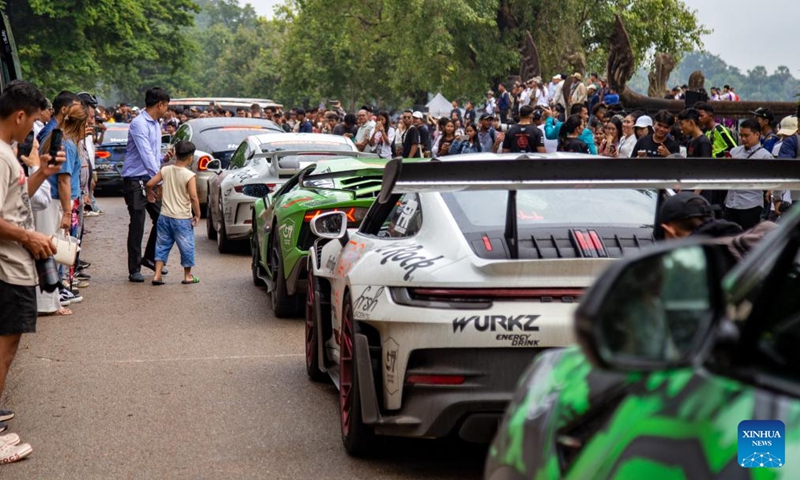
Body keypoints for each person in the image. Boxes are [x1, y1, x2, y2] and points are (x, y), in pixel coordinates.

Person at [0, 80, 65, 463]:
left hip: (16, 264)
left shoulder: (10, 152)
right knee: (4, 350)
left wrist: (41, 172)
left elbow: (16, 202)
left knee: (8, 348)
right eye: (32, 121)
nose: (33, 131)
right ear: (19, 114)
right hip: (7, 266)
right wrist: (28, 236)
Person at [121, 87, 173, 283]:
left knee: (162, 217)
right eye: (166, 106)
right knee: (138, 223)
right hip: (135, 179)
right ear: (160, 104)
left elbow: (152, 154)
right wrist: (157, 180)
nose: (166, 110)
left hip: (149, 176)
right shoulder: (139, 124)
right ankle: (134, 268)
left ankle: (150, 257)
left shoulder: (156, 124)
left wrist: (162, 158)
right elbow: (144, 154)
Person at [145, 141, 200, 285]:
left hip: (164, 216)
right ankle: (187, 275)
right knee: (186, 247)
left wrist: (149, 193)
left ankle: (157, 275)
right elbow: (193, 197)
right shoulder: (189, 175)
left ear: (175, 154)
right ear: (191, 158)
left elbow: (150, 183)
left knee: (161, 245)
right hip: (182, 218)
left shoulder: (165, 170)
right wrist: (198, 214)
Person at [723, 119, 773, 230]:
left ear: (757, 134)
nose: (743, 139)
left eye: (746, 135)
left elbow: (770, 179)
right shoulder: (734, 151)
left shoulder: (765, 156)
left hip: (750, 204)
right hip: (731, 202)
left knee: (749, 237)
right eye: (741, 135)